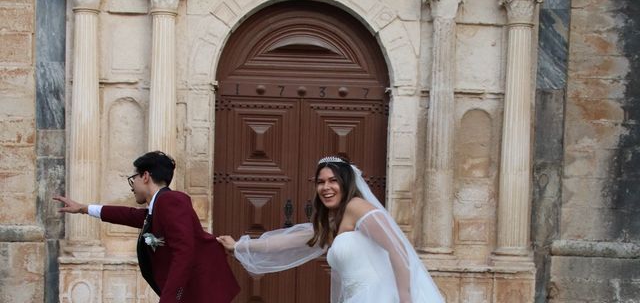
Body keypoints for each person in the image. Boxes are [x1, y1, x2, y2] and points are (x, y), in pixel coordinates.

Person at [217, 156, 445, 302]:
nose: (326, 187)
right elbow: (288, 241)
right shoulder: (332, 224)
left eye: (333, 181)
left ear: (346, 183)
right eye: (320, 182)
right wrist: (239, 245)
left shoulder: (358, 208)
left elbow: (398, 250)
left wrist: (405, 298)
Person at [54, 151, 240, 303]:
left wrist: (169, 300)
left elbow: (184, 252)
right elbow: (129, 215)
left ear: (145, 176)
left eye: (132, 179)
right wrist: (84, 209)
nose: (131, 186)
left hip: (199, 294)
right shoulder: (160, 204)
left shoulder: (170, 200)